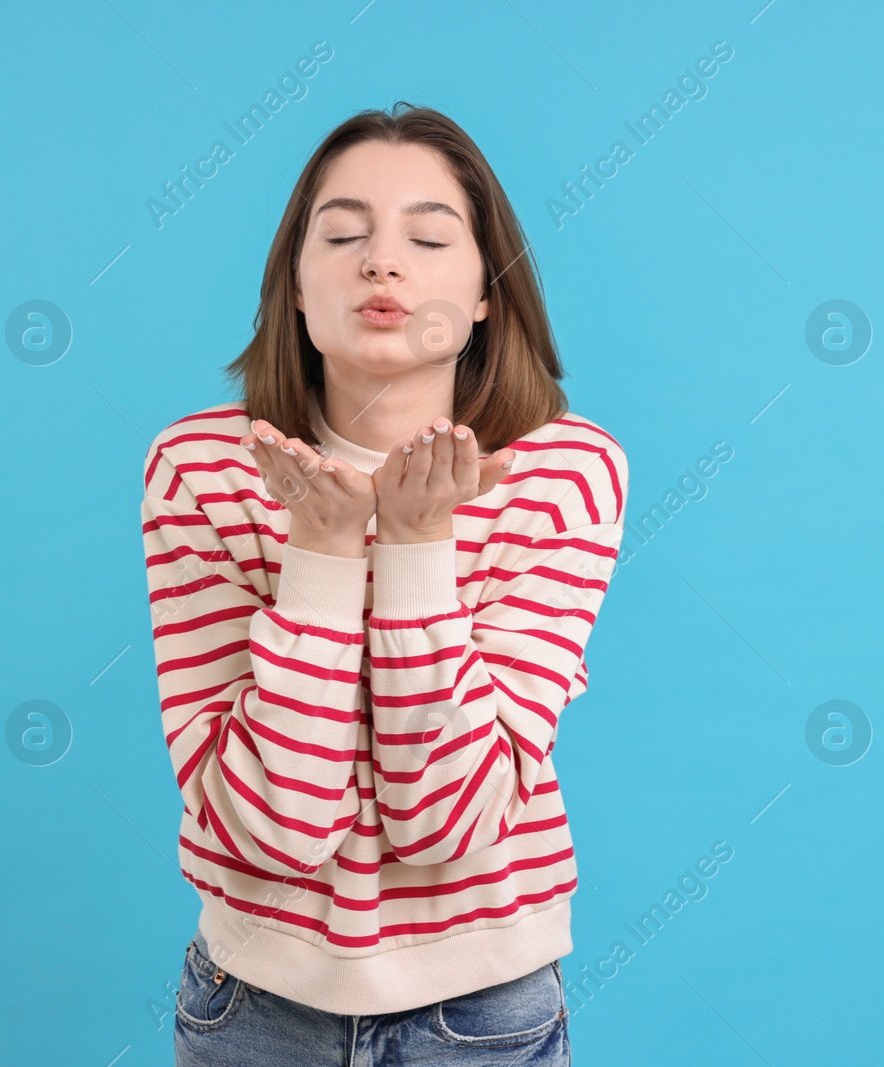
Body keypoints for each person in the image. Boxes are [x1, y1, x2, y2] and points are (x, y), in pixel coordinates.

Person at [139, 102, 627, 1065]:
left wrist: (413, 544)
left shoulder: (565, 474)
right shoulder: (201, 470)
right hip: (254, 1008)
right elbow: (278, 831)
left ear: (487, 293)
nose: (381, 262)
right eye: (344, 233)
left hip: (485, 1012)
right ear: (295, 283)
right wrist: (320, 556)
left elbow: (448, 821)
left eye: (430, 235)